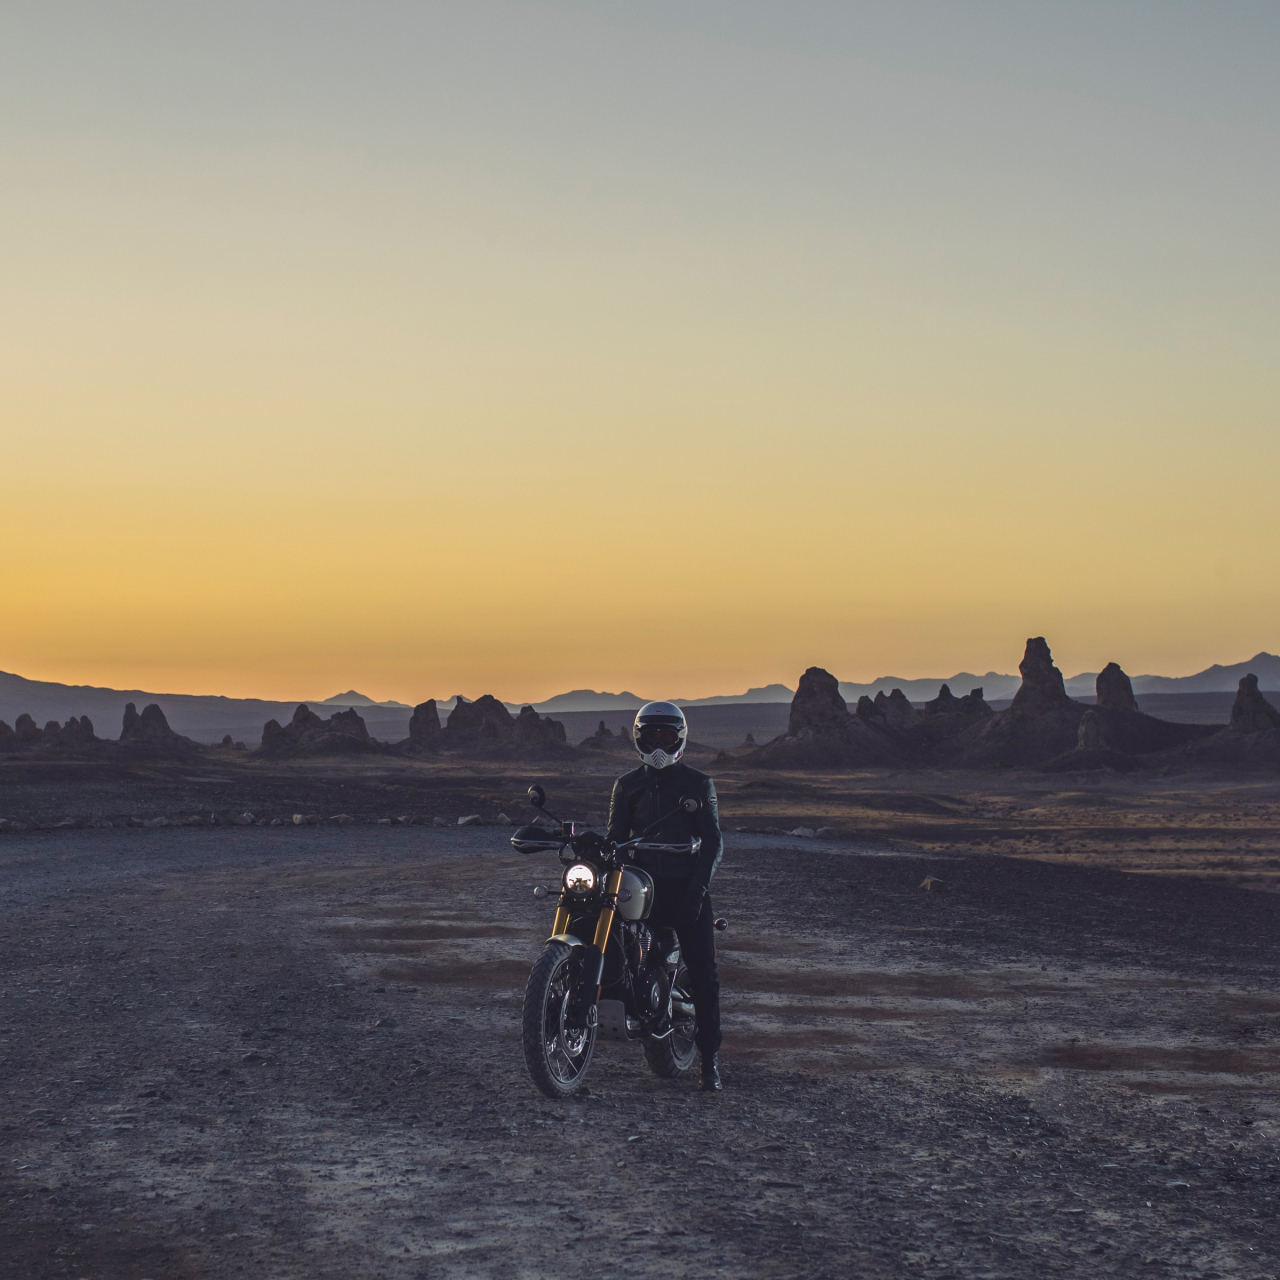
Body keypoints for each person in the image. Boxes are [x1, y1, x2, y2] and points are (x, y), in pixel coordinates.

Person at [606, 701, 724, 1091]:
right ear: (639, 738)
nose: (658, 743)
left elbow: (712, 843)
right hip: (640, 888)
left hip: (685, 888)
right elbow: (615, 840)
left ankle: (710, 1062)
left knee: (704, 973)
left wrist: (698, 891)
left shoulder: (698, 784)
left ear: (679, 739)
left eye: (666, 736)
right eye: (651, 735)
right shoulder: (627, 785)